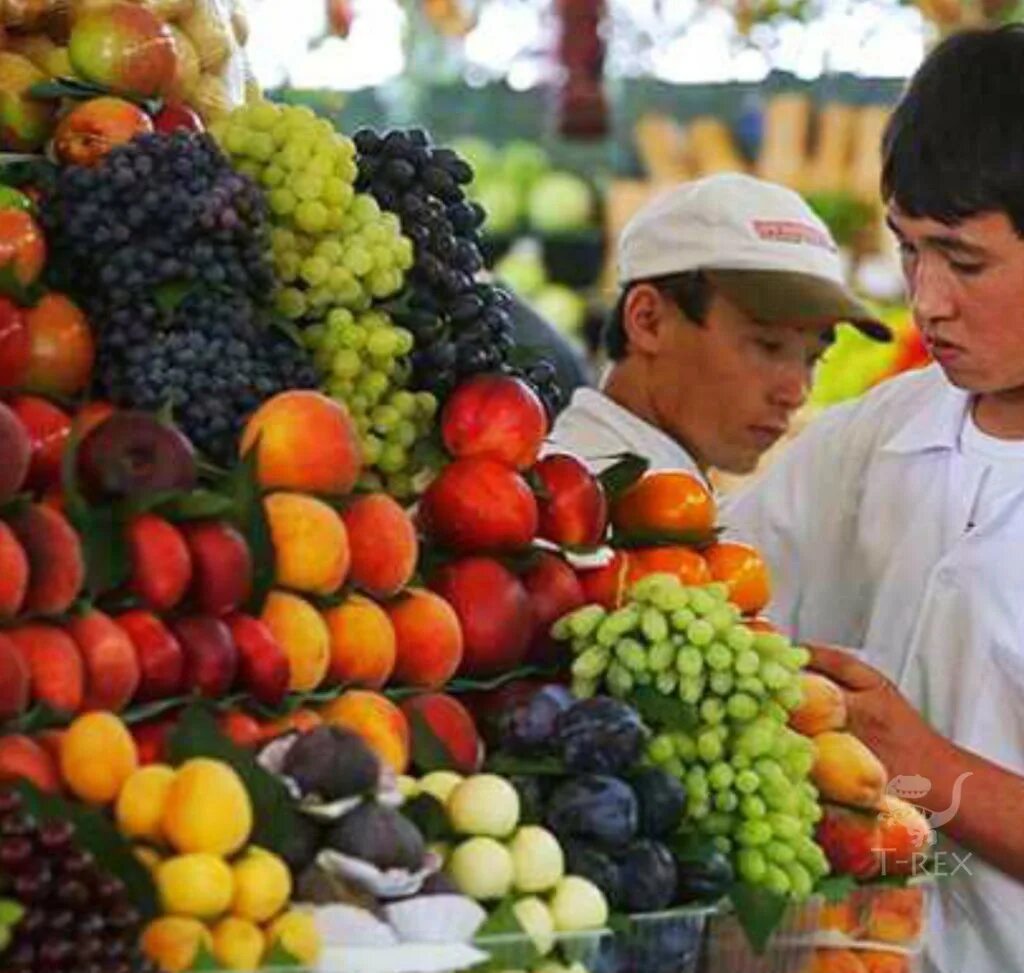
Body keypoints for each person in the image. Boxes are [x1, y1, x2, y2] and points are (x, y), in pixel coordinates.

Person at [725, 25, 1024, 973]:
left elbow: (912, 756)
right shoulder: (881, 432)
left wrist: (922, 761)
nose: (926, 300)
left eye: (963, 261)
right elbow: (724, 582)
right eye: (907, 252)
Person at [545, 172, 890, 477]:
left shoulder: (650, 495)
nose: (795, 394)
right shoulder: (590, 516)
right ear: (647, 320)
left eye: (814, 358)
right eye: (768, 346)